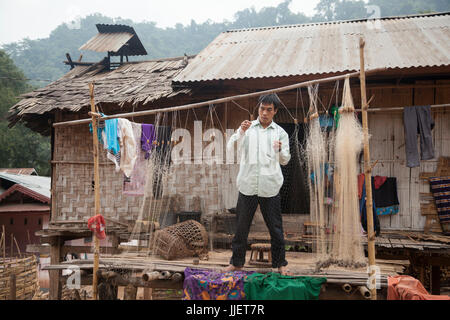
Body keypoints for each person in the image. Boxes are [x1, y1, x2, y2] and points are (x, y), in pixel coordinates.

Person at [224, 93, 291, 275]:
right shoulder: (248, 128)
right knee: (241, 227)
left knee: (276, 228)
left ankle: (280, 264)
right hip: (247, 185)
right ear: (258, 109)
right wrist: (240, 131)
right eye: (262, 108)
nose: (265, 112)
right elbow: (231, 147)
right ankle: (236, 263)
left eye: (269, 109)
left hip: (270, 187)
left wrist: (279, 150)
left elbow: (285, 160)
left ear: (275, 111)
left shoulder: (280, 133)